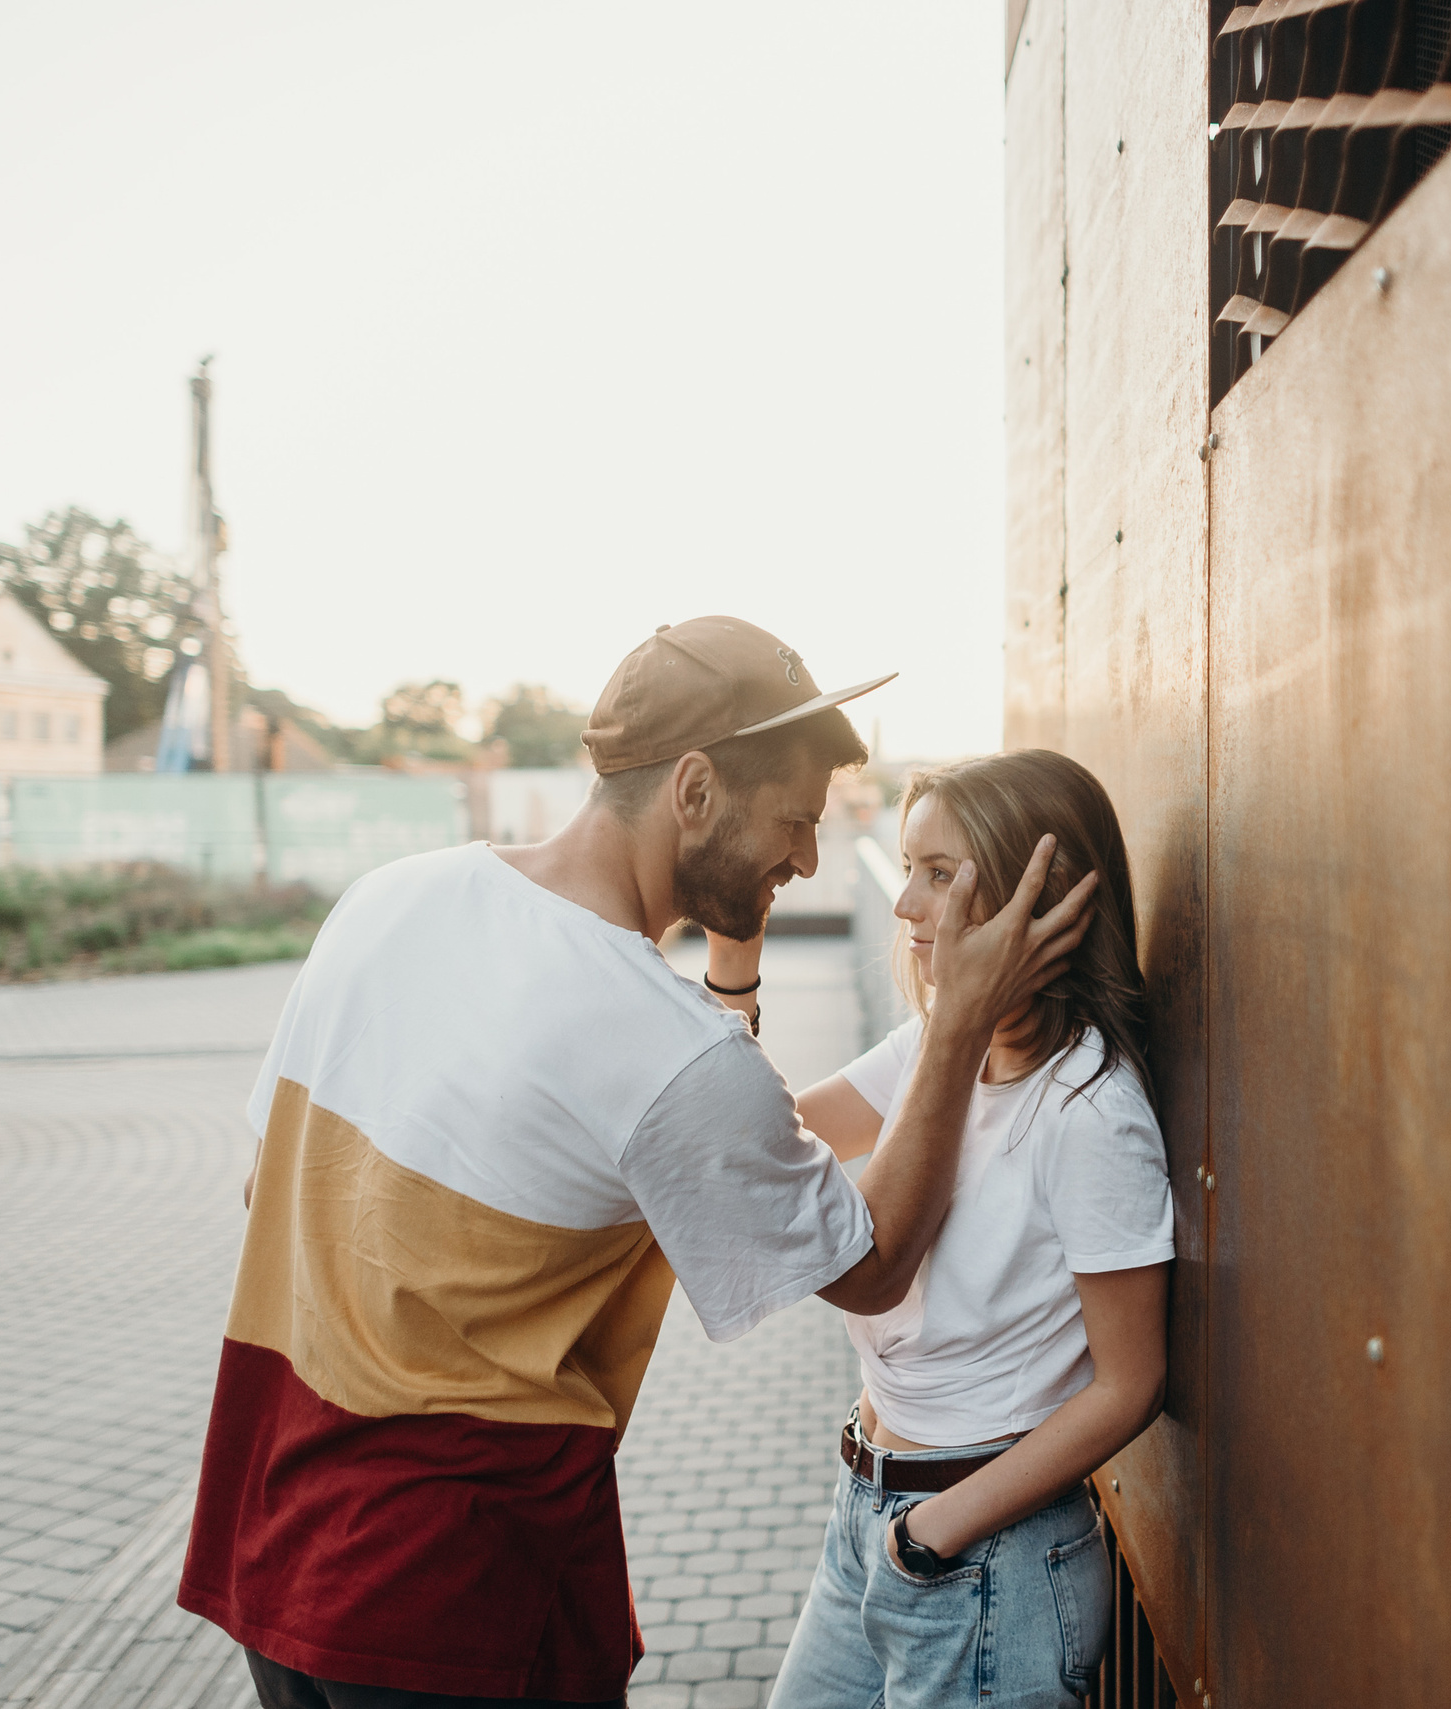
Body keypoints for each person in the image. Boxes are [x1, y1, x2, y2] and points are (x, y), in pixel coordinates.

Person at [178, 617, 1100, 1709]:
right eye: (796, 820)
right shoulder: (663, 1046)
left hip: (275, 1549)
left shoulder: (389, 899)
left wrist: (729, 973)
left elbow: (265, 1182)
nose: (807, 860)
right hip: (453, 1596)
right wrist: (958, 1030)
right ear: (696, 790)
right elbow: (873, 1261)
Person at [762, 749, 1174, 1709]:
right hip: (867, 1506)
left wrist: (934, 1531)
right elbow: (776, 1140)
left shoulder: (1088, 1109)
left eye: (939, 874)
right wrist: (734, 968)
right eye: (907, 868)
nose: (905, 904)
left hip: (982, 1554)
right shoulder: (937, 1041)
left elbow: (1131, 1381)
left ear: (1041, 902)